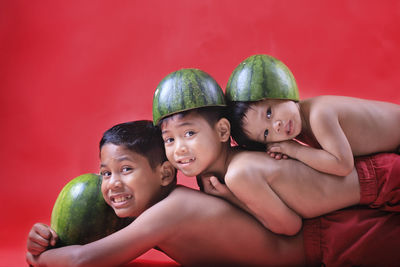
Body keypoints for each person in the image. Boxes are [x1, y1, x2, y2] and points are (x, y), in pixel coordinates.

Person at [26, 120, 400, 266]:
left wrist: (39, 259)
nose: (111, 184)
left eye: (126, 169)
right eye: (104, 172)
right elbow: (91, 241)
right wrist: (52, 237)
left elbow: (83, 262)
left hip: (334, 239)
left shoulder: (171, 210)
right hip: (324, 241)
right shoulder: (150, 213)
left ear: (165, 173)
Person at [153, 68, 400, 236]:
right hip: (374, 182)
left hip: (381, 180)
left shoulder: (238, 174)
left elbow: (289, 226)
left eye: (189, 134)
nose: (179, 148)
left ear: (223, 130)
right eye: (169, 139)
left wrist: (230, 197)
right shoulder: (252, 154)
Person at [225, 54, 400, 177]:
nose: (275, 126)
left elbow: (342, 164)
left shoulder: (319, 115)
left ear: (280, 91)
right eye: (265, 133)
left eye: (269, 113)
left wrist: (295, 150)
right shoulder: (302, 126)